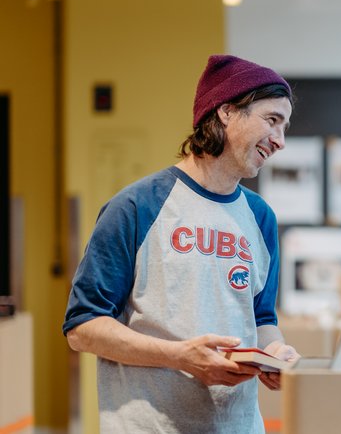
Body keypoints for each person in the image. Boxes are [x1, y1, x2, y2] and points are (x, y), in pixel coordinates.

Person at [62, 54, 300, 433]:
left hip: (238, 425)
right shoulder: (137, 206)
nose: (280, 141)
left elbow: (262, 318)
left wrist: (274, 352)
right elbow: (83, 327)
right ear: (226, 111)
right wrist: (180, 357)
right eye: (272, 120)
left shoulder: (260, 217)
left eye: (285, 126)